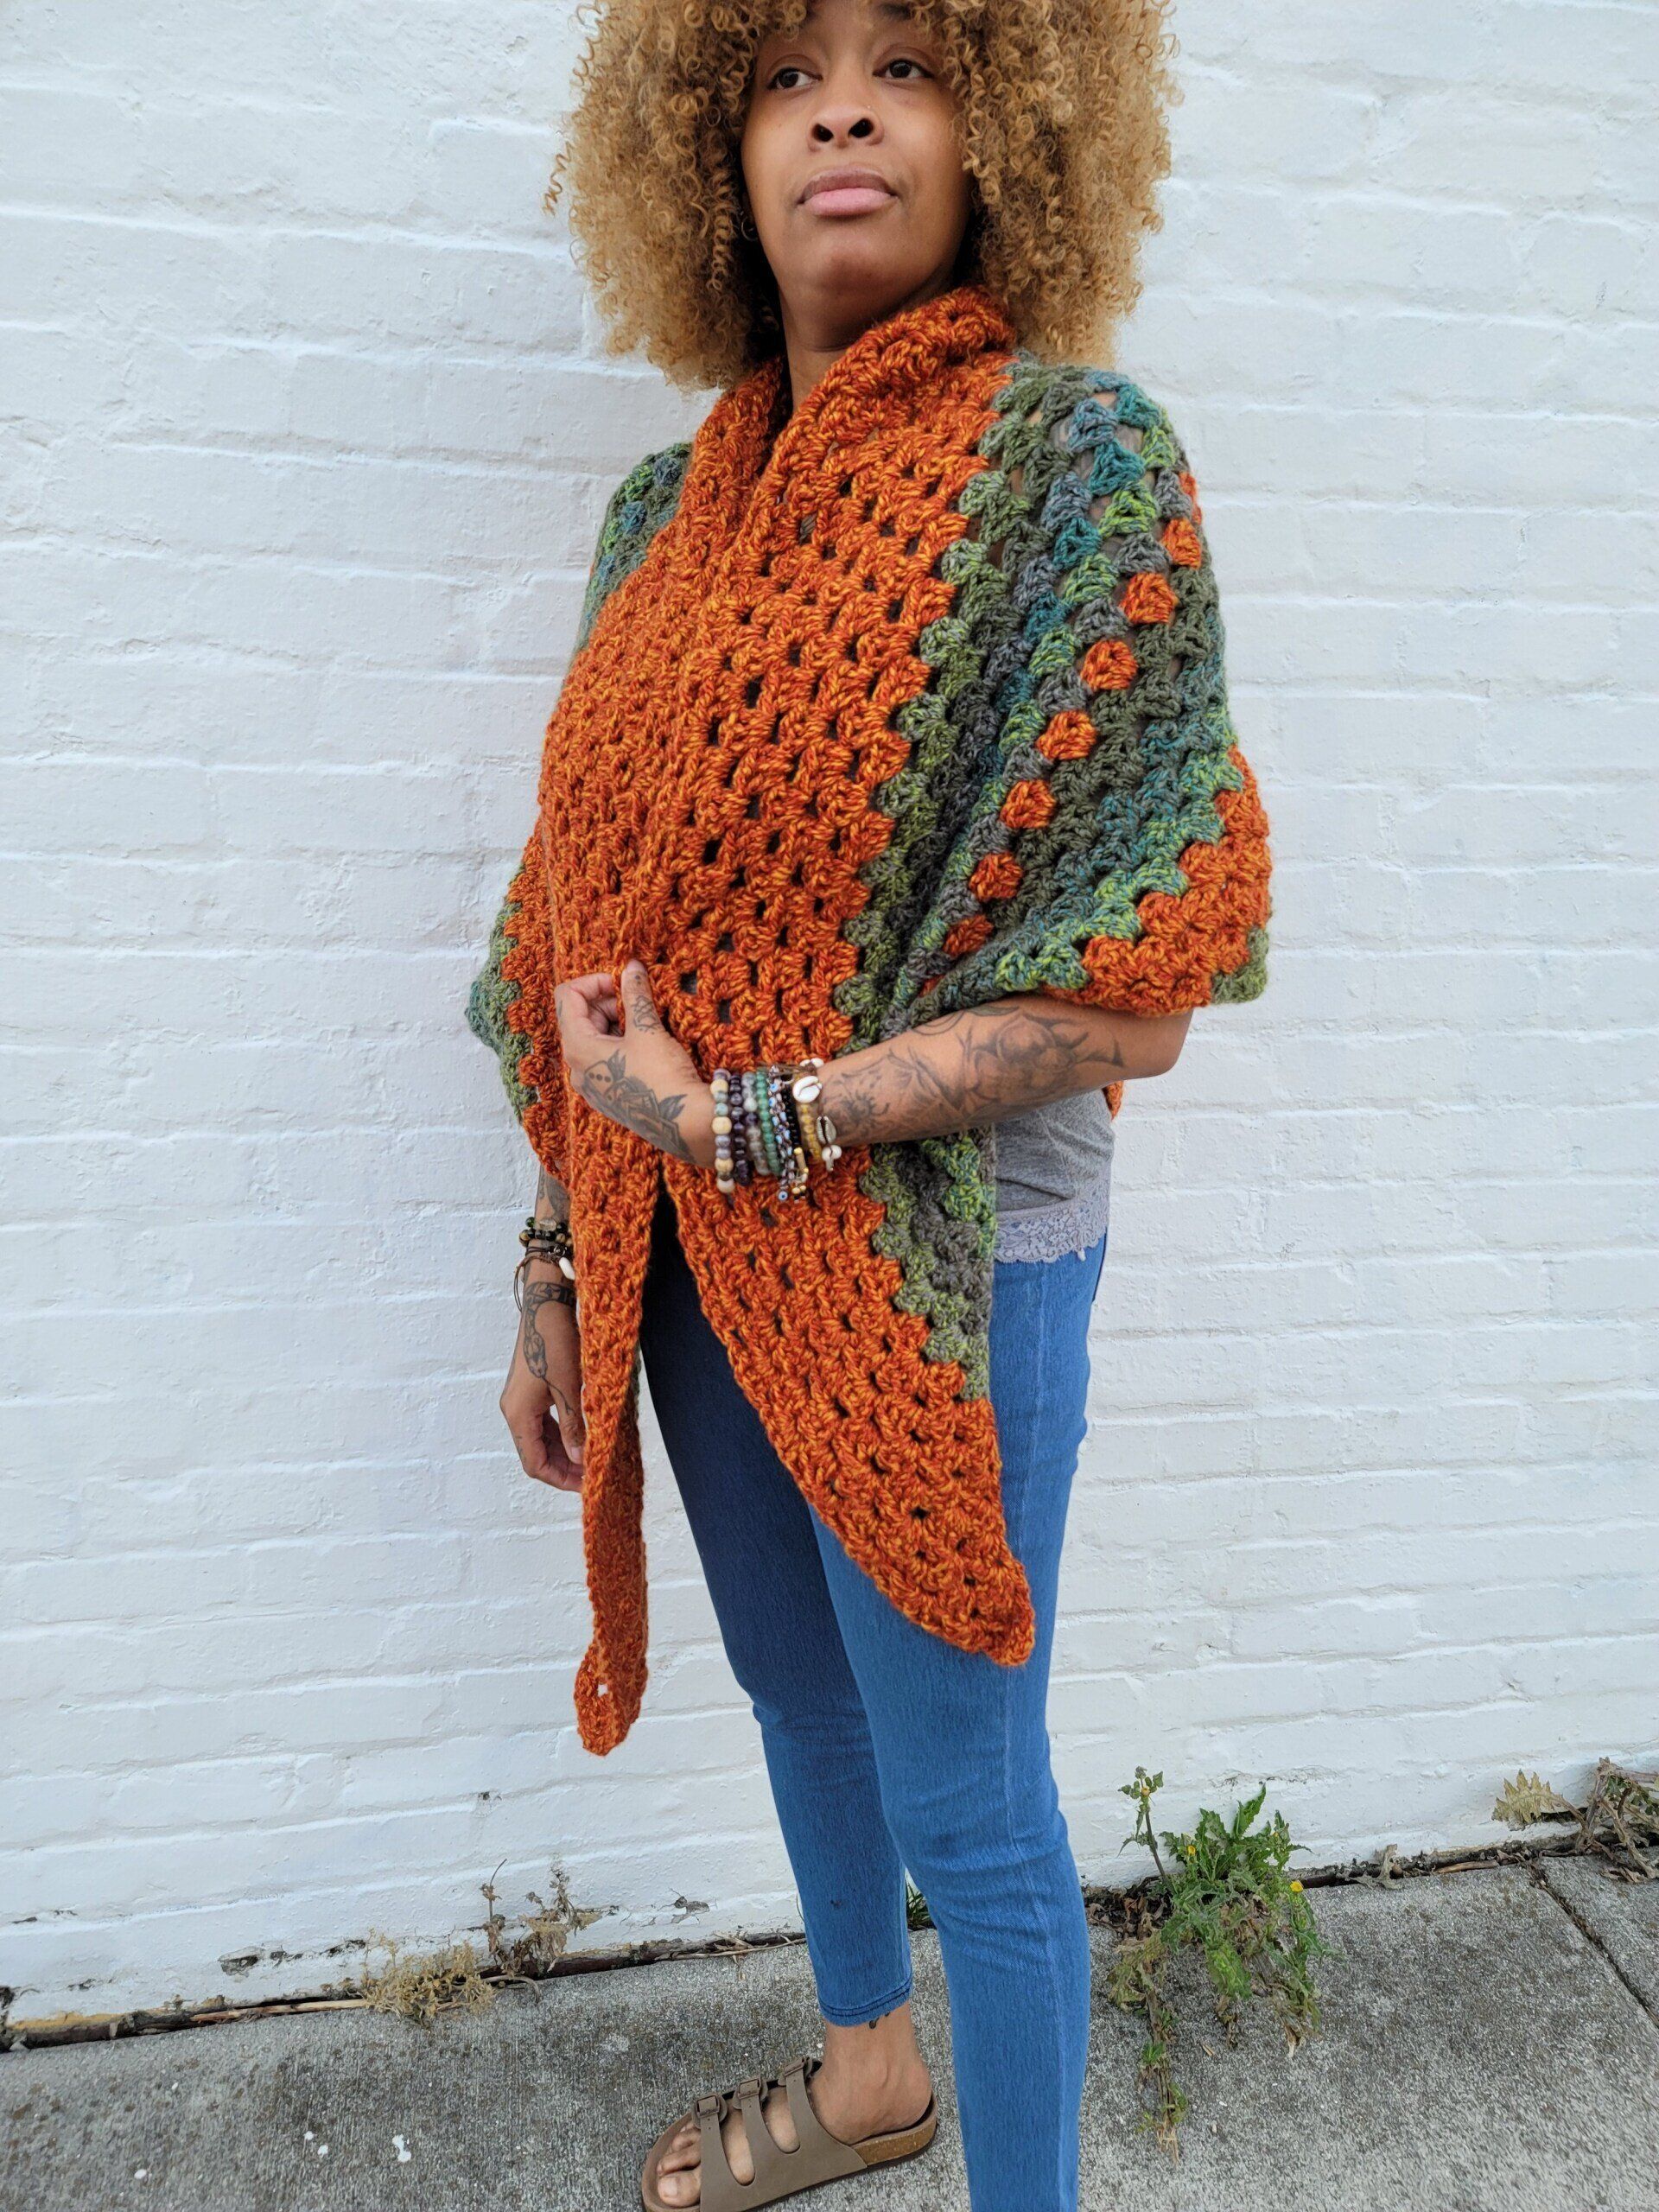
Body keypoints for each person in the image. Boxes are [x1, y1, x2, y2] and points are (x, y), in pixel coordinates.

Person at [465, 3, 1272, 2206]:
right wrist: (558, 1248)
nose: (840, 105)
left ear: (1008, 130)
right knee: (798, 1704)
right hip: (684, 1246)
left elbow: (1136, 991)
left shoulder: (1079, 471)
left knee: (973, 1803)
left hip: (943, 1254)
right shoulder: (667, 510)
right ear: (704, 153)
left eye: (910, 64)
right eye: (786, 70)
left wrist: (759, 1117)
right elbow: (578, 934)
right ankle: (868, 2077)